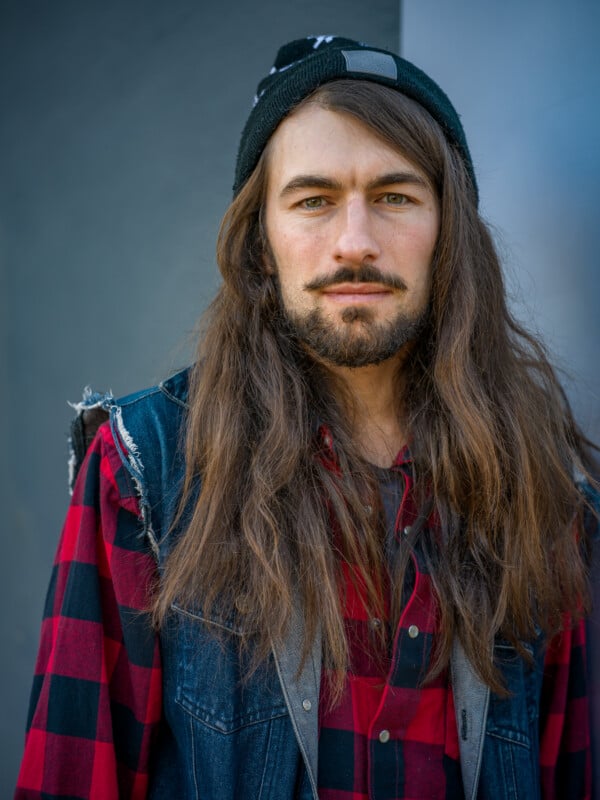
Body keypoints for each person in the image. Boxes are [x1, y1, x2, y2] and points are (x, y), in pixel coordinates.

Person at [15, 35, 598, 800]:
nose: (354, 242)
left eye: (395, 196)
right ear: (261, 240)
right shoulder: (142, 475)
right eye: (314, 200)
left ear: (449, 235)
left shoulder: (545, 497)